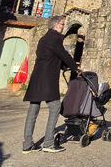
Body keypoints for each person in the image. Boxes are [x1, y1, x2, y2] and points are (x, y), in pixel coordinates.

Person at [22, 15, 79, 153]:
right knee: (55, 106)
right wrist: (75, 67)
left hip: (37, 76)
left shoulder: (43, 39)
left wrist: (63, 66)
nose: (63, 26)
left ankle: (27, 144)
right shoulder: (54, 38)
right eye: (62, 24)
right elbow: (63, 55)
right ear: (56, 25)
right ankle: (48, 143)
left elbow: (50, 56)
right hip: (47, 77)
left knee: (33, 109)